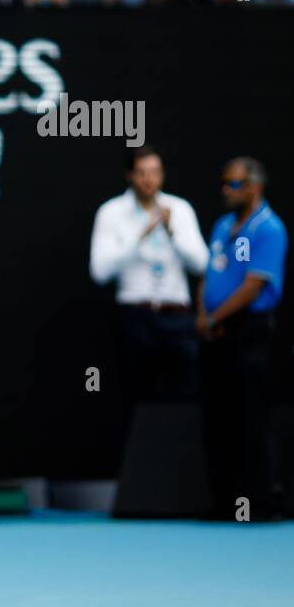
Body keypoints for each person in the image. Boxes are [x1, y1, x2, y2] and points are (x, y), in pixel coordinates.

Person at [198, 157, 287, 520]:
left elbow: (254, 286)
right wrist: (205, 317)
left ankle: (259, 504)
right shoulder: (222, 225)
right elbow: (210, 271)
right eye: (224, 183)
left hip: (249, 333)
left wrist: (218, 316)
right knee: (220, 420)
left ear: (254, 187)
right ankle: (225, 503)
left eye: (234, 184)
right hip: (216, 333)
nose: (226, 190)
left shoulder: (269, 229)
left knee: (252, 419)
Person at [90, 144, 210, 402]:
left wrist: (171, 232)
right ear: (130, 176)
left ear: (163, 174)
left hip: (178, 317)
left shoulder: (180, 209)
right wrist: (139, 236)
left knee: (185, 397)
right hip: (135, 318)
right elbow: (99, 273)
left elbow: (201, 265)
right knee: (135, 397)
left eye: (154, 172)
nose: (148, 180)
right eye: (141, 172)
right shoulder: (111, 212)